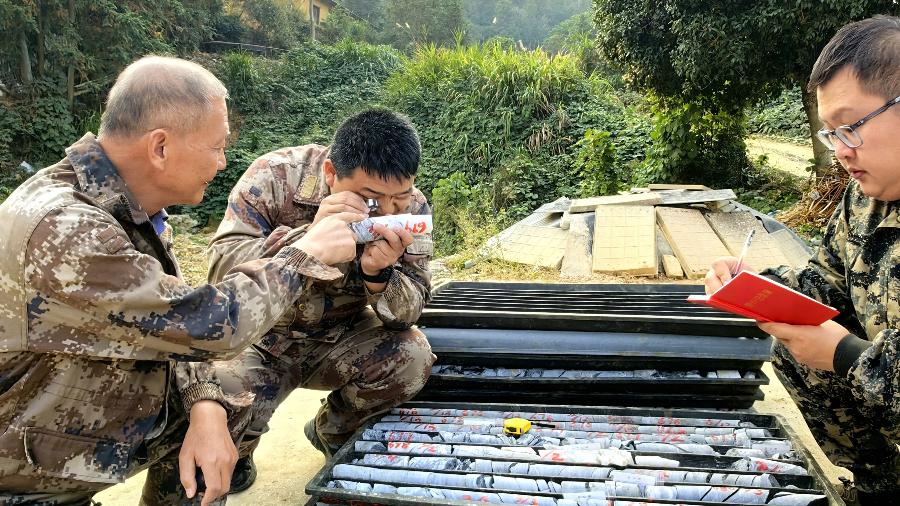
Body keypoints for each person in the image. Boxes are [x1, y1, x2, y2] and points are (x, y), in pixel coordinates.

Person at [0, 56, 361, 505]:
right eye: (216, 146)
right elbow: (210, 322)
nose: (223, 160)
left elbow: (167, 325)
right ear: (160, 147)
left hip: (68, 436)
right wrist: (304, 254)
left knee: (225, 397)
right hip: (24, 478)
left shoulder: (122, 207)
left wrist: (205, 404)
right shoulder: (65, 227)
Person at [705, 16, 900, 505]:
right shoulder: (867, 199)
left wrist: (844, 353)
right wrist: (753, 288)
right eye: (829, 133)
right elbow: (827, 281)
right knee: (788, 341)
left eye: (850, 128)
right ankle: (881, 487)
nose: (840, 152)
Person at [206, 108, 435, 491]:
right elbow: (220, 273)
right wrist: (307, 240)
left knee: (411, 356)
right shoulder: (275, 176)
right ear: (331, 174)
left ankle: (333, 429)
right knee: (216, 395)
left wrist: (379, 276)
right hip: (262, 338)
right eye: (371, 199)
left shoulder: (412, 207)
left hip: (341, 336)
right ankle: (240, 449)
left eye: (400, 198)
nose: (388, 211)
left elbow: (409, 311)